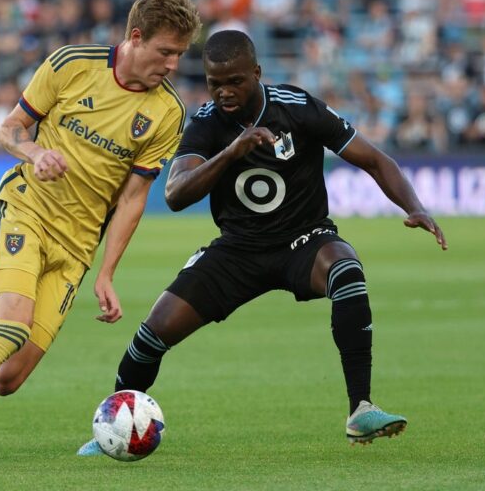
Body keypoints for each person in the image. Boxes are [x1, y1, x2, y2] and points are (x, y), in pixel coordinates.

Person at [78, 30, 447, 456]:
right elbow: (175, 195)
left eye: (234, 81)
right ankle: (109, 425)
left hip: (303, 241)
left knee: (345, 269)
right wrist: (232, 152)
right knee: (153, 333)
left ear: (256, 73)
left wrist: (413, 206)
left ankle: (360, 408)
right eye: (215, 83)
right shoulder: (205, 123)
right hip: (237, 250)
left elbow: (375, 159)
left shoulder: (298, 107)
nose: (224, 92)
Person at [0, 0, 201, 471]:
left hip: (76, 246)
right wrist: (36, 153)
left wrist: (106, 273)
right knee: (10, 328)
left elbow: (132, 197)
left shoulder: (167, 113)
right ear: (136, 37)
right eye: (165, 52)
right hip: (25, 211)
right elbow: (9, 128)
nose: (171, 65)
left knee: (6, 378)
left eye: (179, 55)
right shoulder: (71, 64)